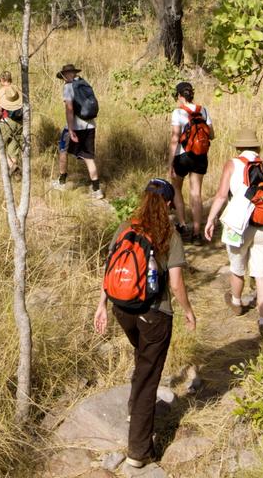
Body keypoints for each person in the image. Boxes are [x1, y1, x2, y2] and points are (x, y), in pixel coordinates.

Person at [94, 179, 196, 468]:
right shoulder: (169, 233)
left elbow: (109, 267)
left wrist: (101, 305)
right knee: (150, 374)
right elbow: (176, 284)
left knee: (143, 360)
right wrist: (188, 310)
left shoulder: (125, 227)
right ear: (167, 203)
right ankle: (139, 451)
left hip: (122, 309)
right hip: (154, 314)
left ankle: (132, 410)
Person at [203, 132, 263, 336]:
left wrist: (211, 219)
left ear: (239, 148)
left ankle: (236, 302)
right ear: (257, 148)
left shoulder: (232, 164)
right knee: (262, 275)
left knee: (237, 268)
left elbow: (220, 195)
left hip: (239, 225)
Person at [167, 81, 213, 241]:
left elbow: (175, 138)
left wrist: (170, 162)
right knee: (196, 193)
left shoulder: (178, 113)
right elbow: (212, 134)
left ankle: (182, 225)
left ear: (179, 96)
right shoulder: (204, 110)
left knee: (177, 189)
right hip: (200, 156)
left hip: (182, 155)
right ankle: (197, 232)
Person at [51, 63, 102, 199]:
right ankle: (97, 190)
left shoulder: (68, 87)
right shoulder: (84, 84)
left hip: (74, 127)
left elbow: (69, 109)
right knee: (89, 157)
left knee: (63, 150)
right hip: (90, 125)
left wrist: (71, 129)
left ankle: (62, 181)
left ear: (66, 75)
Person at [0, 71, 23, 174]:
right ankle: (14, 169)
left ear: (2, 80)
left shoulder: (2, 91)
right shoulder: (17, 89)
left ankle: (9, 168)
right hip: (20, 122)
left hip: (7, 122)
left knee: (0, 145)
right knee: (13, 148)